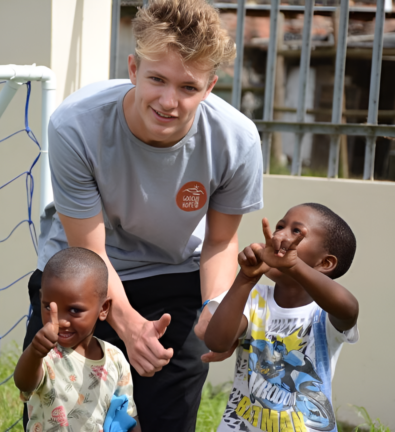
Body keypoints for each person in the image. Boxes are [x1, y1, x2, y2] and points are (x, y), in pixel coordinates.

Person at [24, 0, 264, 429]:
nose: (169, 101)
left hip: (174, 274)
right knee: (62, 417)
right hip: (81, 274)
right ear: (133, 69)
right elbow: (90, 250)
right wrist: (130, 324)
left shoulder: (236, 140)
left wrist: (213, 307)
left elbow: (221, 241)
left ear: (210, 88)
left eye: (188, 88)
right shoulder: (74, 125)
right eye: (157, 79)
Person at [204, 203, 359, 432]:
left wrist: (294, 265)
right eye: (280, 226)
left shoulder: (324, 314)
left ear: (325, 263)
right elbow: (216, 341)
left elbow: (349, 309)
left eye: (296, 231)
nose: (279, 235)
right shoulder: (253, 298)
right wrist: (245, 278)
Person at [15, 247, 140, 432]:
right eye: (49, 307)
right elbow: (23, 382)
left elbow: (127, 415)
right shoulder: (45, 355)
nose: (62, 321)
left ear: (103, 308)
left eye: (74, 310)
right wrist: (34, 351)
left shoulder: (115, 359)